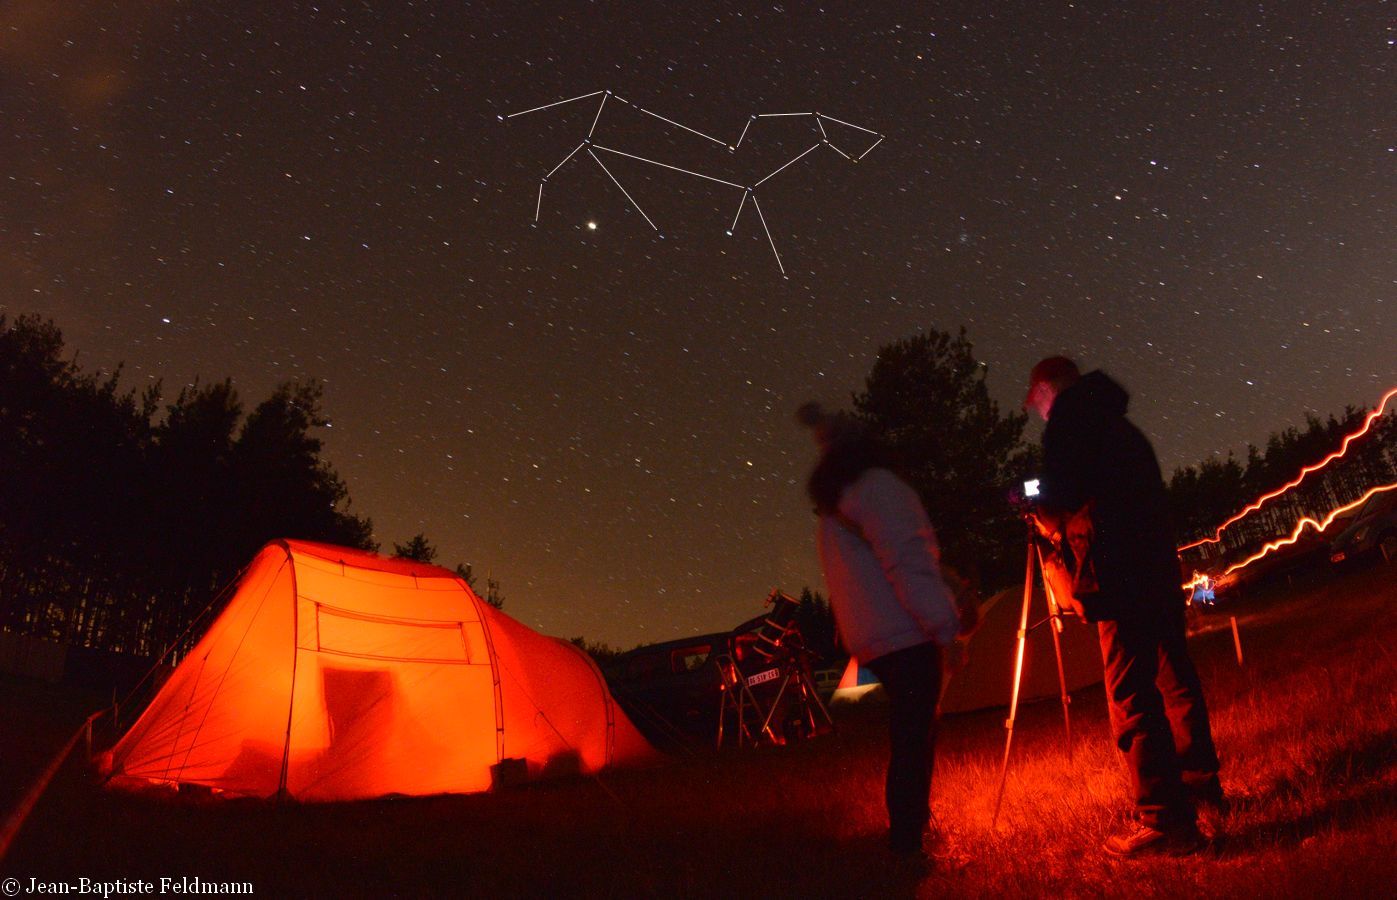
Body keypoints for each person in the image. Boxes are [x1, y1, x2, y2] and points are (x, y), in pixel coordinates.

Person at [1024, 356, 1224, 857]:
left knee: (1131, 695)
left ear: (1048, 390)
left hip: (1116, 575)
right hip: (1156, 566)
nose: (1037, 410)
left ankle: (1165, 821)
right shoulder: (1118, 423)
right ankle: (1201, 784)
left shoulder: (1070, 421)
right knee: (1175, 676)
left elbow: (1065, 495)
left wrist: (1041, 514)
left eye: (1036, 401)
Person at [797, 401, 963, 858]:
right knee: (914, 738)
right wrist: (945, 628)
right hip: (906, 632)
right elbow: (907, 562)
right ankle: (908, 844)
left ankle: (910, 833)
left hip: (873, 637)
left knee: (909, 735)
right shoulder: (880, 489)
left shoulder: (836, 505)